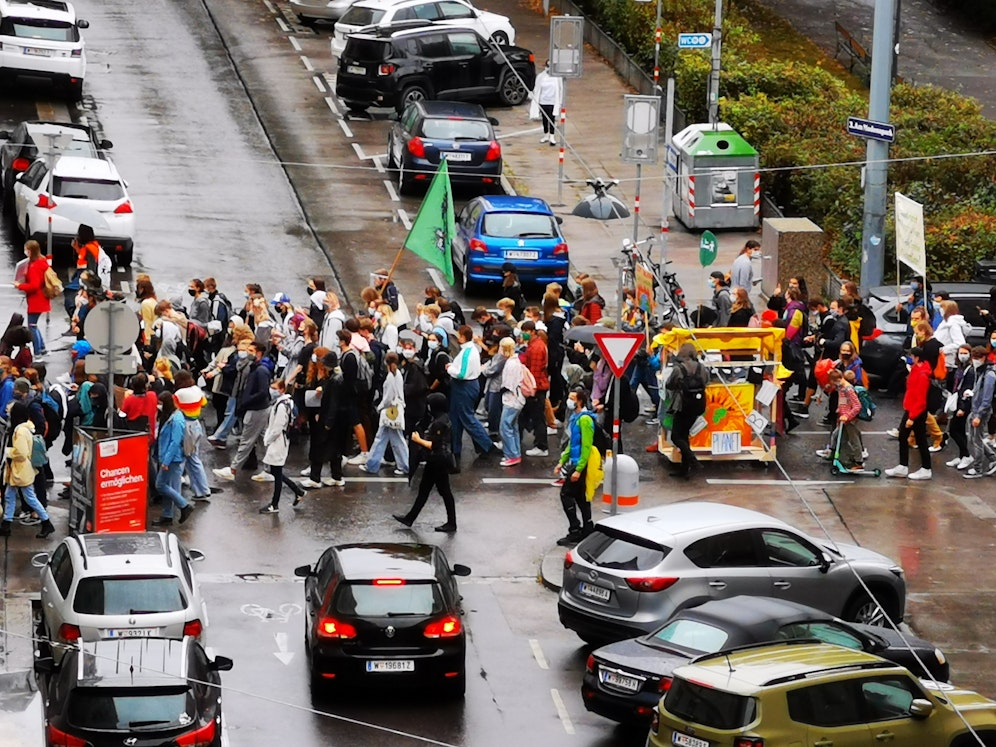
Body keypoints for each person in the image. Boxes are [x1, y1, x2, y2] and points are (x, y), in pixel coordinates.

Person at [393, 392, 457, 532]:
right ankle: (410, 518)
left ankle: (451, 523)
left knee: (442, 492)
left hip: (437, 461)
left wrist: (418, 440)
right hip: (436, 460)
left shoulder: (439, 422)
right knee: (427, 491)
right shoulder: (442, 418)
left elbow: (435, 445)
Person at [212, 341, 273, 481]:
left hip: (255, 409)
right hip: (257, 408)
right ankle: (269, 469)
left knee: (247, 440)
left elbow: (263, 392)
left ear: (258, 353)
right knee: (262, 440)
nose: (247, 352)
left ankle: (233, 469)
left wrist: (247, 400)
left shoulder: (260, 370)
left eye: (251, 350)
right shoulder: (254, 368)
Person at [0, 401, 53, 538]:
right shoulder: (26, 428)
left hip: (20, 470)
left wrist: (8, 452)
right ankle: (6, 523)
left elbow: (21, 453)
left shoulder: (20, 431)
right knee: (10, 496)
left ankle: (46, 522)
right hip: (19, 470)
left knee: (30, 497)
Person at [553, 387, 599, 546]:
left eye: (573, 398)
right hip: (575, 462)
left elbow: (586, 446)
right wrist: (562, 462)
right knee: (581, 496)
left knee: (566, 494)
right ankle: (587, 527)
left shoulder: (584, 420)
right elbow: (572, 444)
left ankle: (575, 529)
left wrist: (579, 469)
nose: (569, 401)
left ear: (579, 401)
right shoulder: (576, 418)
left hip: (580, 464)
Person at [445, 325, 497, 462]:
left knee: (468, 419)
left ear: (463, 337)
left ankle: (487, 445)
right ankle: (456, 448)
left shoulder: (467, 352)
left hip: (464, 387)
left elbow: (462, 373)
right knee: (455, 418)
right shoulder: (470, 350)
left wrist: (450, 368)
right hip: (465, 386)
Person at [257, 378, 306, 513]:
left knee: (277, 473)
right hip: (280, 441)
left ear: (282, 390)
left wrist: (268, 439)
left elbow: (278, 427)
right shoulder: (285, 403)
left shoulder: (281, 406)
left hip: (278, 442)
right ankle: (298, 492)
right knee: (275, 471)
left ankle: (275, 504)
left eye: (275, 388)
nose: (272, 390)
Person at [886, 347, 933, 481]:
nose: (910, 358)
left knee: (917, 438)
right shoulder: (918, 370)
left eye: (911, 356)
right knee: (911, 437)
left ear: (917, 357)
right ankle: (906, 466)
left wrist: (911, 417)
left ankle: (923, 468)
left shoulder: (922, 375)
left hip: (915, 411)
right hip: (912, 409)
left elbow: (920, 399)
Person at [360, 352, 410, 476]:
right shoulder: (397, 373)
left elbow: (388, 397)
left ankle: (373, 464)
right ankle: (403, 465)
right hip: (396, 410)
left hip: (389, 411)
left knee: (384, 439)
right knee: (390, 439)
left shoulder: (390, 377)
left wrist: (380, 407)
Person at [665, 343, 709, 478]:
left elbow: (669, 385)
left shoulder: (679, 369)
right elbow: (706, 382)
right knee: (684, 435)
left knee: (676, 436)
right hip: (697, 405)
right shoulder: (701, 367)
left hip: (682, 405)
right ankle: (685, 469)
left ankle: (692, 460)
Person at [152, 392, 195, 526]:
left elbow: (175, 442)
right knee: (167, 486)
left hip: (171, 459)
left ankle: (184, 505)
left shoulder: (176, 420)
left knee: (160, 485)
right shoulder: (171, 416)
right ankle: (167, 515)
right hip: (166, 457)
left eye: (160, 403)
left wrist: (166, 461)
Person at [817, 369, 865, 471]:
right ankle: (841, 455)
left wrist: (847, 415)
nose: (833, 385)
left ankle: (859, 462)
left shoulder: (848, 389)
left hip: (850, 420)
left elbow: (857, 406)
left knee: (853, 440)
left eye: (833, 382)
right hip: (844, 419)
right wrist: (840, 410)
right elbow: (844, 401)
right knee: (837, 436)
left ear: (838, 379)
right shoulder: (841, 387)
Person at [519, 320, 551, 457]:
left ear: (532, 331)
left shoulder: (537, 347)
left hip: (536, 389)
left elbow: (535, 371)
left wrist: (532, 390)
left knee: (538, 418)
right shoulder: (534, 345)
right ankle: (516, 440)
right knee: (525, 416)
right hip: (535, 388)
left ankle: (541, 446)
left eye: (526, 331)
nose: (524, 334)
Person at [964, 346, 996, 479]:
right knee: (973, 438)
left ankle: (978, 469)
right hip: (976, 409)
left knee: (976, 440)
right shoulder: (982, 371)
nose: (975, 361)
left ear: (983, 358)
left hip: (980, 412)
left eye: (977, 358)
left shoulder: (989, 375)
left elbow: (987, 398)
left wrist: (978, 415)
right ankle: (993, 458)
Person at [15, 240, 51, 358]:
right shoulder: (42, 262)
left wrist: (20, 285)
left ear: (30, 251)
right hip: (42, 299)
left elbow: (34, 285)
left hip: (36, 300)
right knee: (34, 325)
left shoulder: (34, 266)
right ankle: (42, 348)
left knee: (32, 326)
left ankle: (38, 352)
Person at [945, 344, 975, 471]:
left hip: (963, 404)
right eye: (960, 353)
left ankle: (966, 455)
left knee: (953, 430)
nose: (962, 355)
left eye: (965, 353)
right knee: (960, 430)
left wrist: (962, 408)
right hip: (957, 401)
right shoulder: (960, 367)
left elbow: (967, 389)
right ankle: (962, 455)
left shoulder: (970, 370)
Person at [497, 337, 525, 466]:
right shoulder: (515, 361)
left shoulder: (511, 363)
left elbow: (508, 384)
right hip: (517, 399)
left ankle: (511, 455)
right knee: (513, 427)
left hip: (511, 400)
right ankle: (515, 454)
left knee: (505, 427)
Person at [530, 58, 563, 145]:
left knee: (551, 118)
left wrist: (560, 101)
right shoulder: (541, 77)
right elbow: (537, 88)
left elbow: (560, 89)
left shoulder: (557, 77)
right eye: (547, 66)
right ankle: (546, 135)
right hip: (543, 101)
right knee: (545, 119)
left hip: (552, 101)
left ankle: (552, 136)